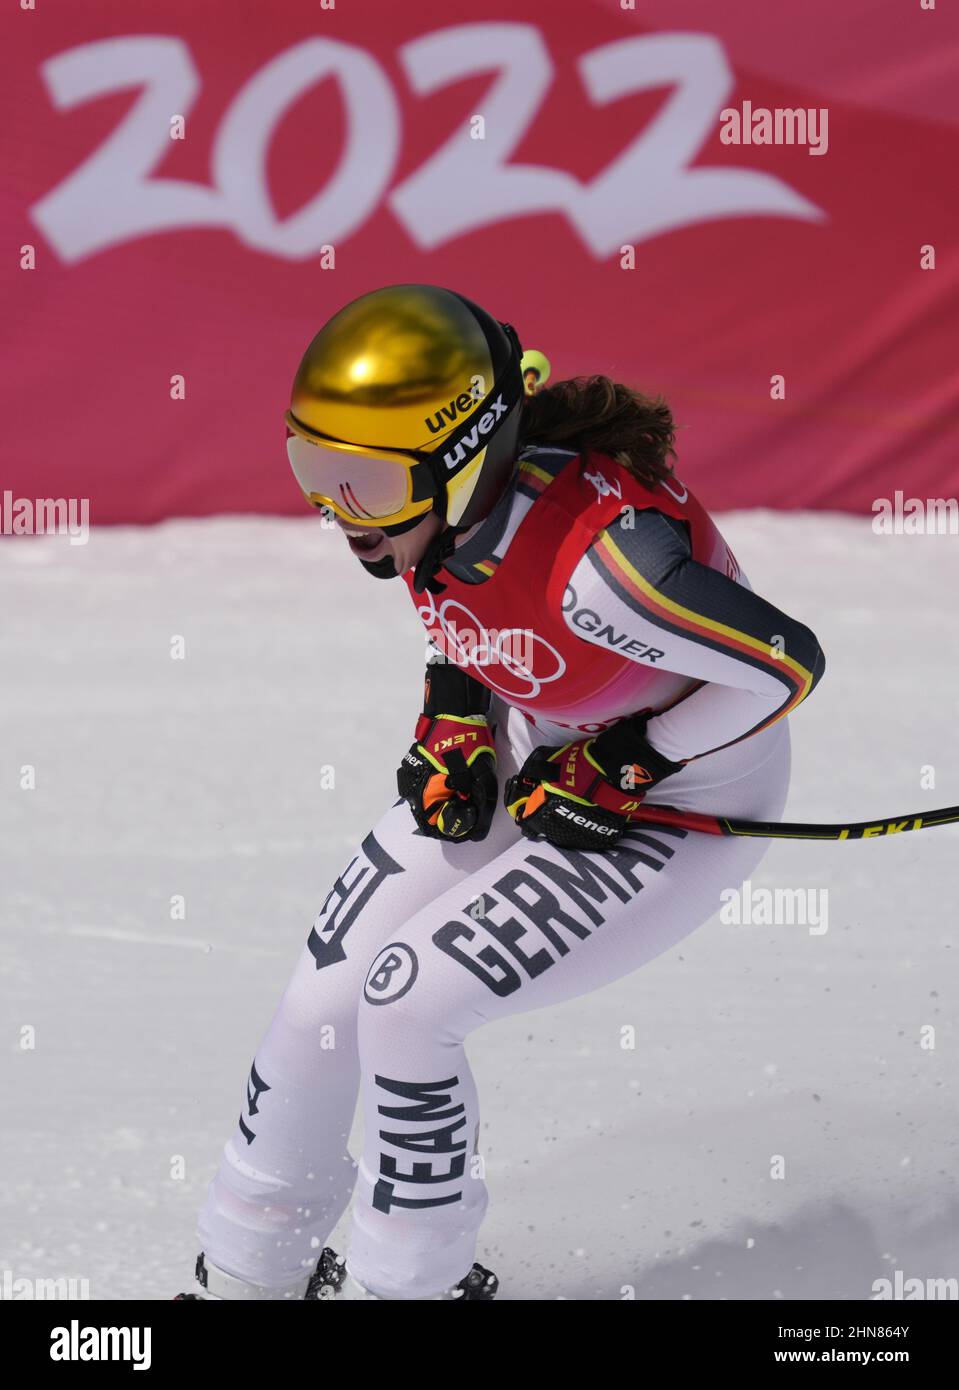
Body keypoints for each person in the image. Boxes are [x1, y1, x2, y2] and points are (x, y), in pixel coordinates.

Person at [181, 283, 825, 1301]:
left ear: (462, 456)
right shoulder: (429, 508)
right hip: (545, 752)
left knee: (406, 1002)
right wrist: (455, 709)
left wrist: (636, 759)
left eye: (361, 486)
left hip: (689, 802)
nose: (338, 516)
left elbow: (785, 663)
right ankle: (248, 1265)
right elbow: (468, 609)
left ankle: (410, 1285)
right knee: (321, 998)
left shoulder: (607, 572)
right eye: (316, 473)